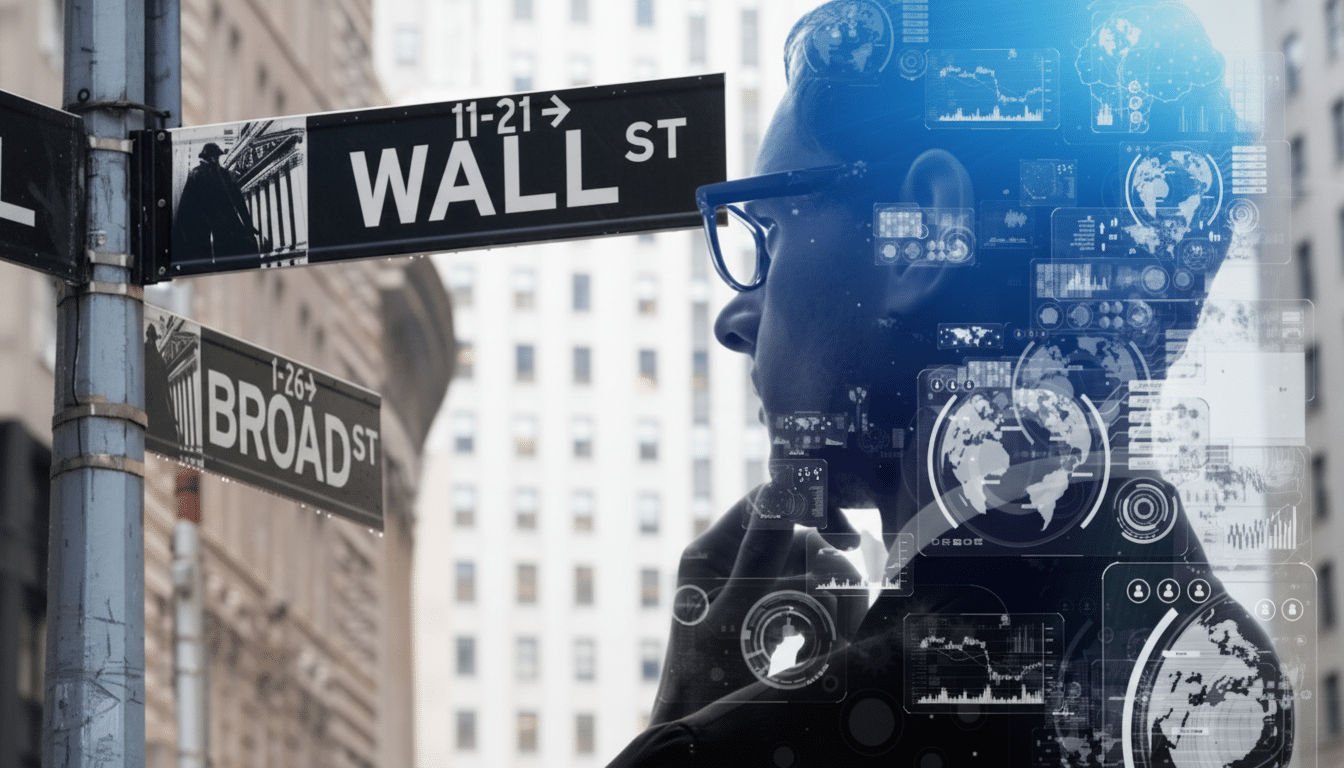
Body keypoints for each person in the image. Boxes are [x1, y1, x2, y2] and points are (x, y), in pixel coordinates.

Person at [612, 1, 1300, 765]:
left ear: (926, 235)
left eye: (770, 235)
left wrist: (684, 728)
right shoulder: (1228, 697)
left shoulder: (746, 749)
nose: (735, 319)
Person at [172, 142, 261, 264]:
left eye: (217, 156)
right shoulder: (196, 174)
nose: (215, 159)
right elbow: (185, 206)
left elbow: (239, 200)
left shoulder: (224, 174)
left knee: (239, 253)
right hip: (206, 225)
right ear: (206, 157)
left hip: (225, 223)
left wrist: (249, 225)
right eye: (213, 156)